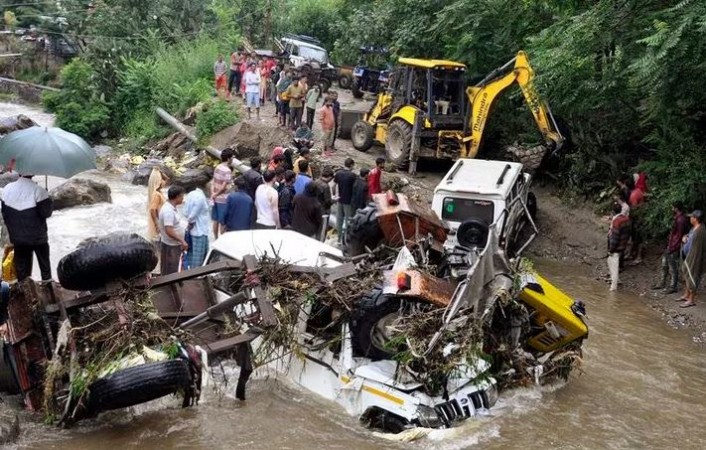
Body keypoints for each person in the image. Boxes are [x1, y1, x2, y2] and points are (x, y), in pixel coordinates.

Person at [0, 174, 53, 281]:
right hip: (38, 238)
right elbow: (46, 213)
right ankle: (48, 290)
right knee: (45, 270)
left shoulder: (7, 189)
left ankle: (24, 292)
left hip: (17, 238)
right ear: (33, 173)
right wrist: (48, 199)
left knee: (22, 271)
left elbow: (4, 213)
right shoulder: (39, 191)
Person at [653, 202, 690, 294]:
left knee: (673, 267)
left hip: (674, 246)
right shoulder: (678, 218)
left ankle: (673, 286)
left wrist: (673, 247)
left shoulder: (681, 220)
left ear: (676, 208)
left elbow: (679, 235)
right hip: (670, 244)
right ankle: (662, 283)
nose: (671, 209)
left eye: (672, 207)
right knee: (664, 264)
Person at [158, 185, 188, 275]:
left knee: (170, 268)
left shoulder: (170, 208)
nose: (183, 198)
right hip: (170, 246)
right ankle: (168, 287)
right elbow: (169, 230)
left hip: (171, 245)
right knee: (170, 270)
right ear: (177, 197)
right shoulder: (168, 211)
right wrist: (182, 241)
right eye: (182, 196)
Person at [680, 210, 706, 308]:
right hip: (689, 255)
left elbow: (699, 248)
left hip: (695, 258)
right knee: (686, 273)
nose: (690, 218)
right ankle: (686, 295)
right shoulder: (694, 228)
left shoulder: (701, 231)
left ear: (695, 219)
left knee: (693, 276)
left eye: (691, 217)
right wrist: (685, 238)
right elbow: (690, 239)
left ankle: (691, 300)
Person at [183, 186, 210, 269]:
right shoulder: (201, 198)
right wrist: (191, 222)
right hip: (200, 231)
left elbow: (185, 211)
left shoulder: (190, 194)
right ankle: (196, 277)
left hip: (193, 231)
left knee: (191, 255)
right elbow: (192, 215)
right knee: (199, 259)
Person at [210, 148, 235, 239]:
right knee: (223, 222)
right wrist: (217, 194)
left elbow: (213, 181)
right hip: (223, 199)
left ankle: (215, 238)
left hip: (215, 198)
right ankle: (222, 240)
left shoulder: (218, 167)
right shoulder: (227, 171)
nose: (232, 159)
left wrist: (213, 193)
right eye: (232, 157)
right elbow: (224, 186)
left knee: (215, 220)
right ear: (228, 158)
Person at [607, 201, 631, 291]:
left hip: (616, 247)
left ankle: (613, 286)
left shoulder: (616, 221)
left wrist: (611, 249)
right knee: (612, 262)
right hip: (623, 245)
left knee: (614, 264)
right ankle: (617, 280)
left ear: (613, 212)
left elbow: (615, 237)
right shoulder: (626, 219)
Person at [333, 158, 357, 242]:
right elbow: (355, 189)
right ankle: (345, 238)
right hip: (348, 201)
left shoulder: (338, 173)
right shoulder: (352, 176)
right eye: (353, 165)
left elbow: (333, 185)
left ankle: (339, 238)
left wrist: (334, 195)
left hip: (340, 200)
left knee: (339, 219)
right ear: (351, 165)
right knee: (348, 220)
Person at [147, 168, 167, 247]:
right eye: (162, 179)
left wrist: (160, 171)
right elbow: (152, 210)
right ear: (158, 181)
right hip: (159, 227)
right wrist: (157, 224)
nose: (164, 182)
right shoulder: (156, 195)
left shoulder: (159, 192)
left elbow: (167, 179)